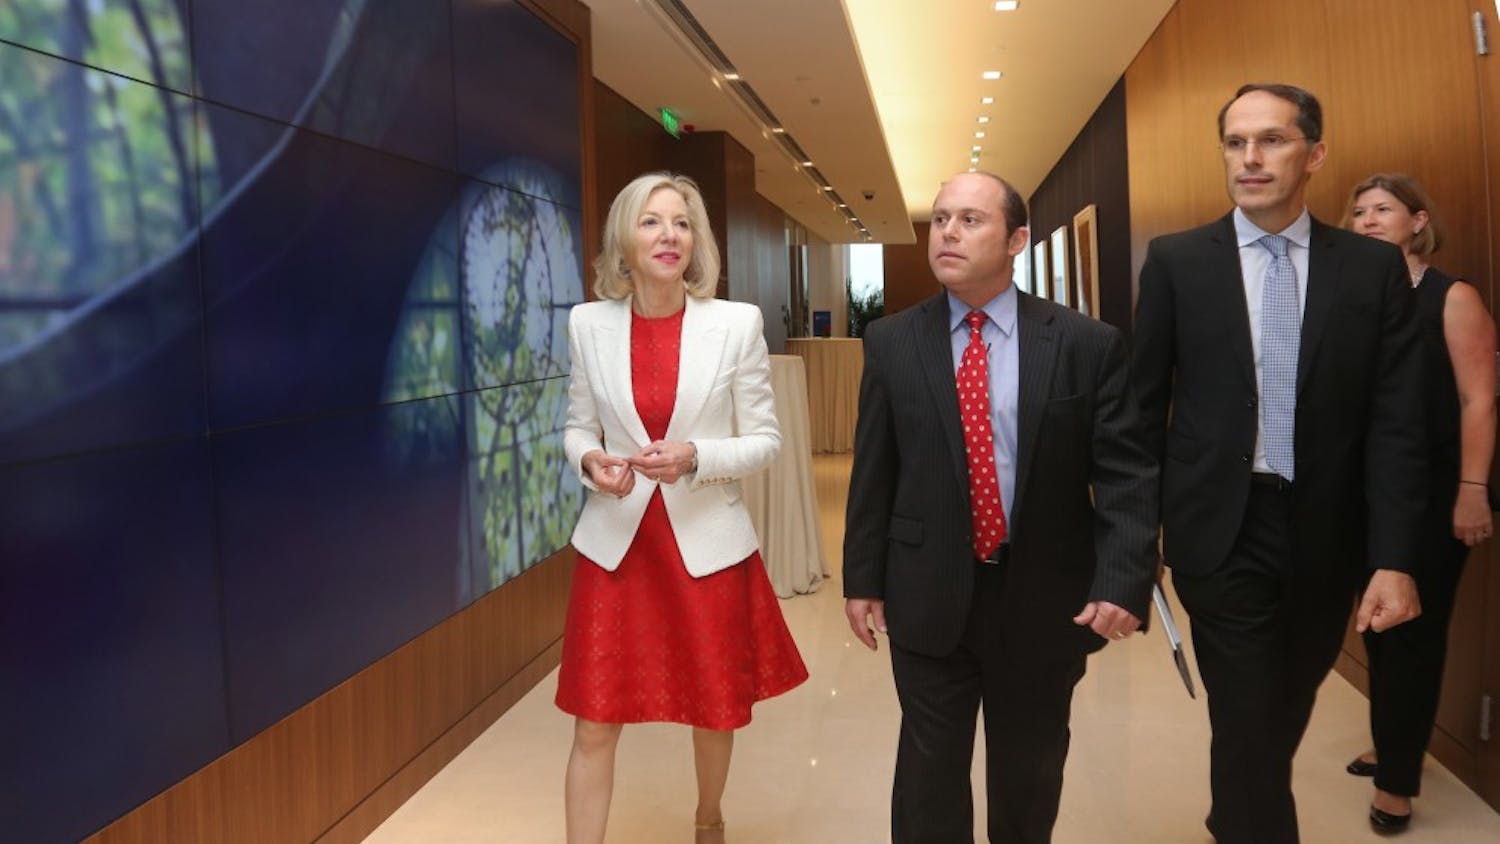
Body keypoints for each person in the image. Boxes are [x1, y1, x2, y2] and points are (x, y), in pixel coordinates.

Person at [1130, 83, 1427, 844]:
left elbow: (1397, 421)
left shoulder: (1369, 269)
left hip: (1329, 533)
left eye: (1272, 140)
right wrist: (1134, 541)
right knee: (1249, 715)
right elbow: (1138, 411)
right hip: (1221, 528)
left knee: (1277, 715)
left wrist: (1394, 559)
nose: (1251, 158)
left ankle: (1234, 812)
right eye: (1235, 142)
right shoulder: (1177, 262)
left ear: (1315, 153)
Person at [843, 171, 1158, 843]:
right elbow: (876, 469)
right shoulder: (893, 342)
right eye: (941, 219)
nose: (948, 233)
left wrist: (1124, 578)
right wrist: (863, 578)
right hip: (926, 590)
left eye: (970, 220)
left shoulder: (1084, 344)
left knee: (1030, 773)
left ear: (1016, 240)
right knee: (928, 779)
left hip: (1044, 596)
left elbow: (1128, 475)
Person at [555, 171, 808, 844]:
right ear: (624, 238)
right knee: (593, 719)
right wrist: (588, 460)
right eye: (651, 221)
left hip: (705, 543)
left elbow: (764, 440)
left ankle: (708, 819)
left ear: (696, 243)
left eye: (682, 222)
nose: (669, 234)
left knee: (713, 709)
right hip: (616, 546)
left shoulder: (735, 324)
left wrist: (696, 456)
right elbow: (578, 426)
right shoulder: (588, 324)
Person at [1340, 173, 1496, 833]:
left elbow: (1480, 399)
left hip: (1437, 493)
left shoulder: (1450, 295)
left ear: (1418, 221)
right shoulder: (1352, 297)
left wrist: (1472, 490)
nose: (1368, 220)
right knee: (1379, 627)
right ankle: (1396, 737)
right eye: (1358, 212)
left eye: (1384, 209)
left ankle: (1398, 783)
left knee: (1414, 631)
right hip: (1362, 491)